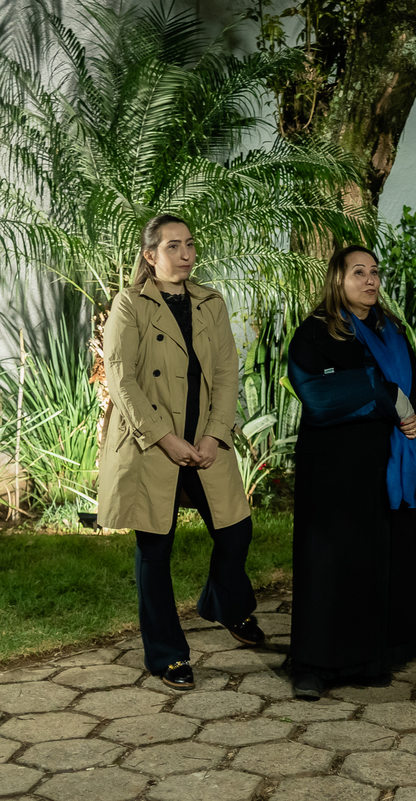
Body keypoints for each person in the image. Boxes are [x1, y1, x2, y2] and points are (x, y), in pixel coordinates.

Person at [98, 214, 263, 691]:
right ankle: (166, 654)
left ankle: (225, 603)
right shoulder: (130, 303)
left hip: (206, 440)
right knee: (155, 547)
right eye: (173, 246)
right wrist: (163, 437)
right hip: (152, 443)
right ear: (150, 256)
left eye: (190, 244)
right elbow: (121, 379)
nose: (186, 253)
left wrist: (214, 434)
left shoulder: (211, 302)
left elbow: (227, 373)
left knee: (236, 530)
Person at [287, 245, 416, 699]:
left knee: (377, 561)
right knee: (330, 565)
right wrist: (391, 398)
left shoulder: (390, 329)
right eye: (358, 272)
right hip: (335, 471)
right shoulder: (316, 330)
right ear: (337, 279)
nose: (370, 280)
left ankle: (371, 658)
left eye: (374, 272)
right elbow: (319, 393)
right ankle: (314, 664)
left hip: (385, 466)